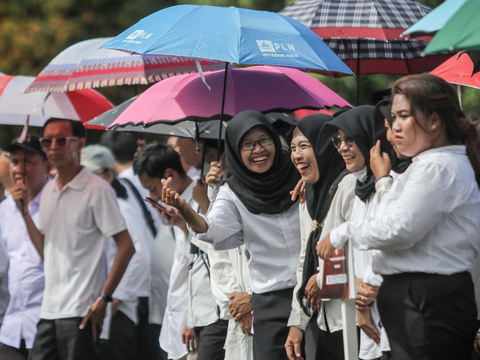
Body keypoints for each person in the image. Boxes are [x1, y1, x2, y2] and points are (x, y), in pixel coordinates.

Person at [317, 74, 480, 360]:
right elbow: (395, 218)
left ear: (433, 121)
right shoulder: (426, 164)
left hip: (429, 300)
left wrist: (341, 233)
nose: (394, 128)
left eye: (403, 116)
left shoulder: (438, 167)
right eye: (393, 118)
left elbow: (397, 229)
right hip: (415, 300)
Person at [162, 110, 302, 360]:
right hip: (270, 302)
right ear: (236, 151)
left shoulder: (300, 175)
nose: (258, 149)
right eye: (247, 144)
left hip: (310, 290)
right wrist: (185, 208)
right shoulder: (233, 192)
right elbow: (212, 230)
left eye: (264, 140)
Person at [13, 119, 135, 360]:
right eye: (47, 141)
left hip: (82, 310)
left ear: (80, 144)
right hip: (49, 310)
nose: (53, 146)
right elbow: (45, 251)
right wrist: (24, 210)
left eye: (61, 140)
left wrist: (104, 298)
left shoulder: (97, 189)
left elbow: (127, 246)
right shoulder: (49, 190)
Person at [134, 143, 227, 360]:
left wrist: (191, 317)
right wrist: (179, 223)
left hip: (201, 314)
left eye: (153, 188)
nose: (153, 196)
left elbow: (209, 258)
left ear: (168, 174)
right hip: (182, 314)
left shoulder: (203, 196)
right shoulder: (175, 205)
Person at [285, 114, 356, 360]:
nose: (296, 155)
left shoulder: (349, 186)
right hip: (325, 319)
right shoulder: (310, 194)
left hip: (353, 316)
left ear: (325, 147)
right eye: (293, 148)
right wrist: (297, 322)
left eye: (304, 146)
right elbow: (305, 260)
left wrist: (322, 276)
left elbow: (360, 250)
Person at [100, 131, 164, 360]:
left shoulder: (119, 192)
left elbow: (137, 252)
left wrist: (114, 296)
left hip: (136, 296)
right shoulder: (146, 179)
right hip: (156, 285)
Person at [0, 135, 50, 360]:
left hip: (48, 327)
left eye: (28, 161)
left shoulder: (57, 202)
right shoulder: (4, 210)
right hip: (11, 328)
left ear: (47, 166)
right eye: (14, 161)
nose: (19, 169)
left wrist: (26, 211)